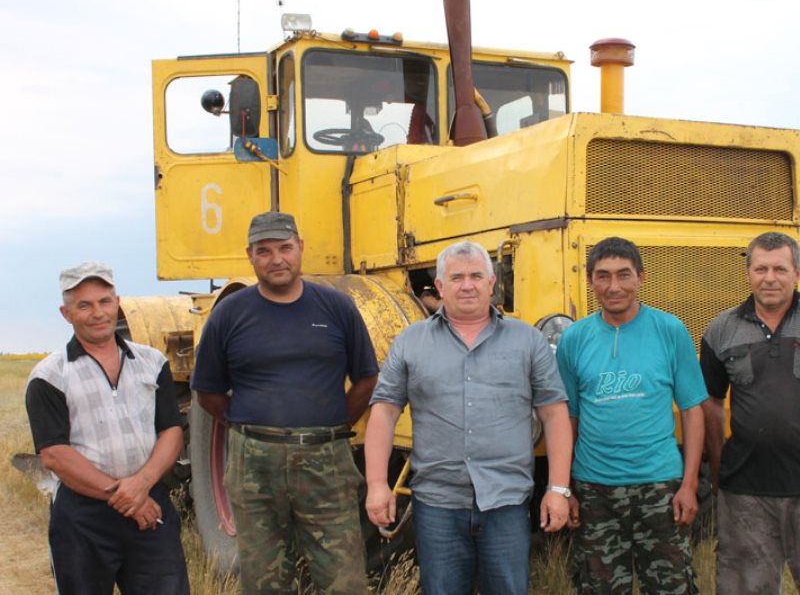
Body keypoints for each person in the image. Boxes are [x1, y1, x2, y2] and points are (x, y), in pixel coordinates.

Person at [365, 240, 572, 595]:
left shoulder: (527, 341)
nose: (467, 284)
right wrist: (377, 485)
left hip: (506, 501)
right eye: (456, 277)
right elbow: (383, 413)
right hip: (438, 503)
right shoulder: (411, 342)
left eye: (477, 275)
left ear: (492, 284)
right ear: (441, 287)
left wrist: (557, 488)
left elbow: (555, 415)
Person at [191, 211, 379, 594]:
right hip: (254, 466)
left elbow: (366, 378)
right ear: (250, 255)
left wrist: (330, 423)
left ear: (301, 249)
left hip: (326, 464)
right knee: (263, 581)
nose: (276, 259)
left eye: (285, 248)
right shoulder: (229, 313)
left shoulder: (337, 308)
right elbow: (207, 390)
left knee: (344, 581)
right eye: (264, 251)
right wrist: (247, 426)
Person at [25, 261, 189, 594]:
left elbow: (171, 431)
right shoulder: (49, 377)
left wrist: (140, 487)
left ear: (117, 303)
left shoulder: (152, 362)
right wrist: (124, 496)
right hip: (83, 517)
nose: (97, 312)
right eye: (84, 305)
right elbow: (55, 455)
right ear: (66, 313)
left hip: (150, 508)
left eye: (104, 301)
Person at [555, 236, 706, 594]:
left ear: (641, 277)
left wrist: (689, 484)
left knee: (672, 587)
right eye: (603, 276)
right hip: (595, 492)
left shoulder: (670, 331)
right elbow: (567, 419)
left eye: (624, 275)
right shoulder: (574, 339)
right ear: (590, 281)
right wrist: (565, 489)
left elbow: (693, 410)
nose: (614, 286)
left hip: (660, 487)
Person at [700, 231, 800, 594]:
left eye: (779, 269)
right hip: (746, 491)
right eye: (760, 269)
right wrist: (718, 465)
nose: (769, 278)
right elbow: (711, 403)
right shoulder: (720, 330)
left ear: (796, 274)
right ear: (747, 274)